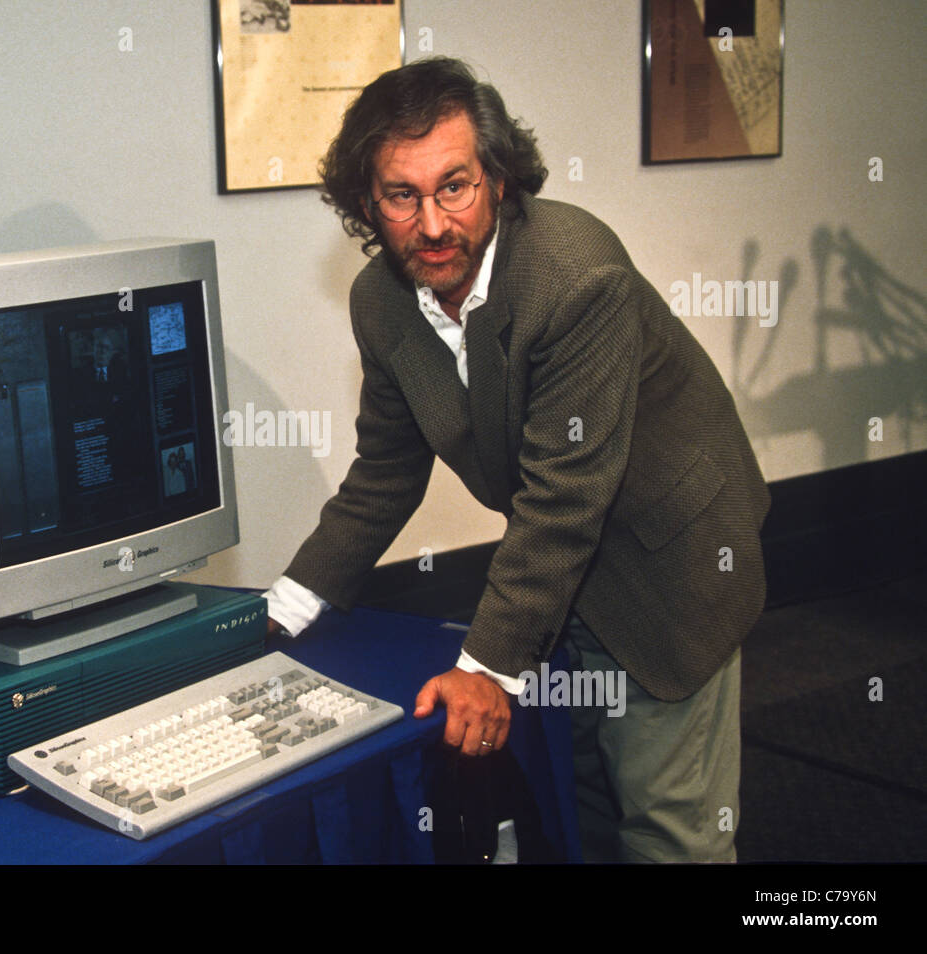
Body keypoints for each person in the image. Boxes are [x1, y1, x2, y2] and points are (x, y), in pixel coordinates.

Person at [263, 57, 770, 862]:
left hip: (674, 558)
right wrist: (284, 609)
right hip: (559, 579)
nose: (432, 224)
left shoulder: (577, 276)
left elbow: (564, 496)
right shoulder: (382, 300)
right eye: (402, 195)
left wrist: (486, 672)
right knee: (585, 818)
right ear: (368, 204)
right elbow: (386, 470)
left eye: (454, 186)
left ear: (498, 179)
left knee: (669, 833)